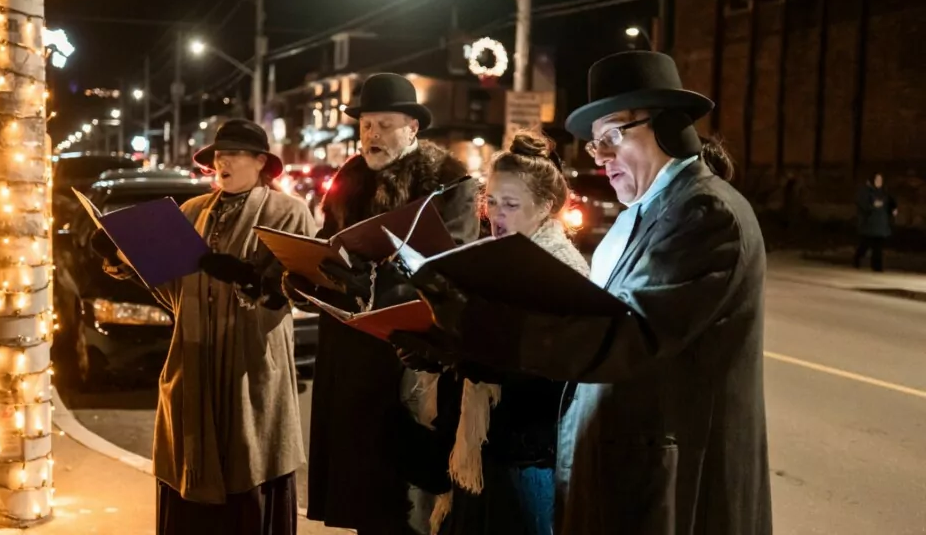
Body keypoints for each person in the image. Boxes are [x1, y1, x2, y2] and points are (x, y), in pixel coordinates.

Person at [391, 51, 772, 535]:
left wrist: (472, 332)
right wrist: (461, 349)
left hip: (673, 484)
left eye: (612, 136)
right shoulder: (641, 214)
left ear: (670, 127)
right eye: (596, 146)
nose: (604, 157)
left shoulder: (704, 215)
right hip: (621, 472)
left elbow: (627, 337)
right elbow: (581, 331)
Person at [91, 119, 315, 535]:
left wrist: (247, 279)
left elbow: (296, 290)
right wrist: (124, 261)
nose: (221, 161)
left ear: (261, 162)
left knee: (248, 464)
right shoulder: (192, 211)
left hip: (249, 365)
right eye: (217, 155)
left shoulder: (289, 212)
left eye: (233, 154)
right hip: (191, 359)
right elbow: (171, 285)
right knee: (190, 467)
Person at [293, 72, 480, 534]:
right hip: (350, 355)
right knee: (362, 495)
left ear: (413, 128)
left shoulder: (447, 182)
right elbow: (326, 243)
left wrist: (377, 283)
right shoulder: (349, 178)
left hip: (408, 356)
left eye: (384, 125)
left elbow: (454, 268)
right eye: (366, 125)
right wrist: (308, 271)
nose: (372, 135)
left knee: (407, 499)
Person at [396, 130, 589, 535]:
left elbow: (548, 369)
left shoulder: (561, 270)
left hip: (525, 459)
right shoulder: (497, 257)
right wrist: (430, 349)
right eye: (493, 202)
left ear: (546, 206)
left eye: (511, 205)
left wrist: (460, 355)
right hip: (477, 450)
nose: (496, 216)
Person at [854, 172, 897, 272]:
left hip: (881, 224)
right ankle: (857, 258)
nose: (879, 182)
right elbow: (862, 205)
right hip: (870, 224)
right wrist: (872, 206)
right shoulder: (867, 192)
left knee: (878, 247)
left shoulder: (884, 193)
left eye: (880, 180)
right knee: (865, 244)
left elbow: (890, 202)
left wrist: (893, 209)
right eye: (877, 180)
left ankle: (877, 266)